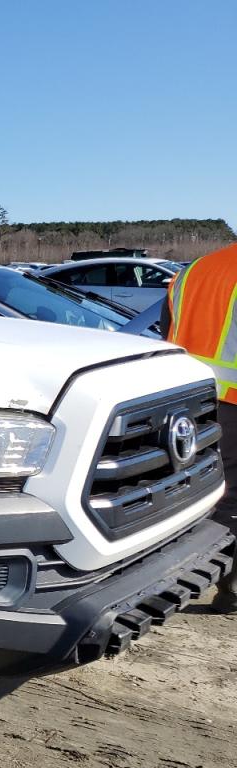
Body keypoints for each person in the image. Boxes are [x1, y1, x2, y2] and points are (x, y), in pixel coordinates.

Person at [162, 243, 237, 610]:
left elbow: (168, 328)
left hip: (192, 397)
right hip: (234, 399)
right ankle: (230, 588)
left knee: (197, 489)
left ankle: (177, 575)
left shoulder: (195, 269)